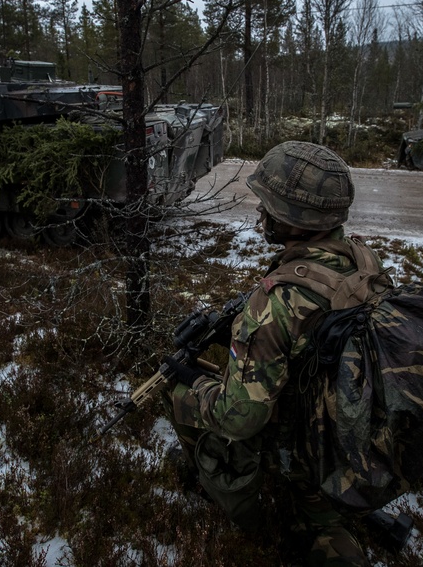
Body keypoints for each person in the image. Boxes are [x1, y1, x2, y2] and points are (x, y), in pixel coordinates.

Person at [164, 140, 383, 567]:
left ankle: (228, 486)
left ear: (293, 219)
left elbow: (240, 417)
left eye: (267, 206)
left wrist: (194, 384)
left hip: (304, 443)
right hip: (350, 422)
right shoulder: (361, 257)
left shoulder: (276, 302)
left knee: (180, 391)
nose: (260, 214)